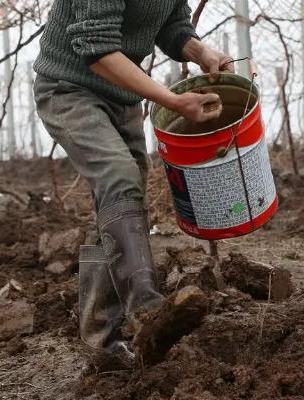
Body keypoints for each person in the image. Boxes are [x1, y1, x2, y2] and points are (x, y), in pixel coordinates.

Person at [33, 1, 234, 362]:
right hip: (69, 88)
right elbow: (96, 49)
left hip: (122, 97)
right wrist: (172, 100)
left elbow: (171, 23)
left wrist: (200, 49)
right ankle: (147, 309)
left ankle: (101, 345)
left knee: (120, 202)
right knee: (119, 177)